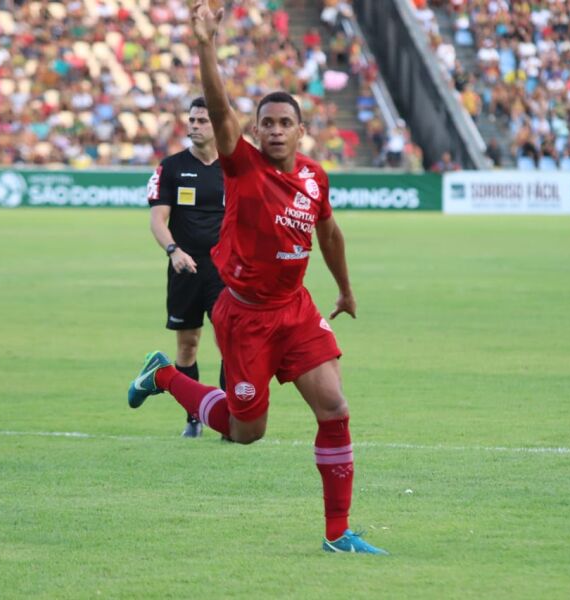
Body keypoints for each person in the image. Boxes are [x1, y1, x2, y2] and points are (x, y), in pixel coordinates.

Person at [127, 0, 387, 555]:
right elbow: (221, 112)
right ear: (254, 131)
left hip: (295, 307)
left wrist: (344, 287)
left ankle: (338, 534)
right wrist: (204, 46)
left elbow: (330, 234)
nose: (273, 131)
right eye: (264, 123)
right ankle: (166, 377)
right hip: (244, 314)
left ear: (301, 130)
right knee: (246, 432)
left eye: (283, 123)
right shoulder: (242, 167)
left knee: (335, 408)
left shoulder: (316, 178)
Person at [140, 97, 226, 438]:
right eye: (191, 120)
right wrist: (173, 250)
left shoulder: (235, 168)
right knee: (187, 344)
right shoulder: (172, 167)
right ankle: (194, 415)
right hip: (184, 269)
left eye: (202, 120)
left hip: (225, 272)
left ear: (217, 125)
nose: (194, 125)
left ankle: (228, 416)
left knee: (229, 344)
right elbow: (157, 220)